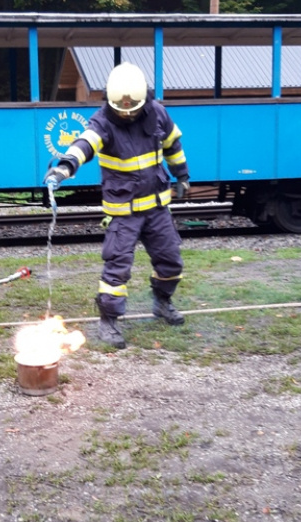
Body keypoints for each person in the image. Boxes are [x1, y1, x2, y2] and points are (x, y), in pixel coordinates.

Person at [44, 62, 190, 349]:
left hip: (157, 209)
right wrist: (64, 167)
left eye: (132, 108)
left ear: (143, 100)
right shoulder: (103, 122)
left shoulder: (158, 113)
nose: (126, 113)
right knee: (116, 271)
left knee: (171, 262)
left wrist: (182, 176)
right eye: (121, 109)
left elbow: (173, 145)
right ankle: (108, 322)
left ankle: (162, 303)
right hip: (122, 213)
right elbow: (84, 144)